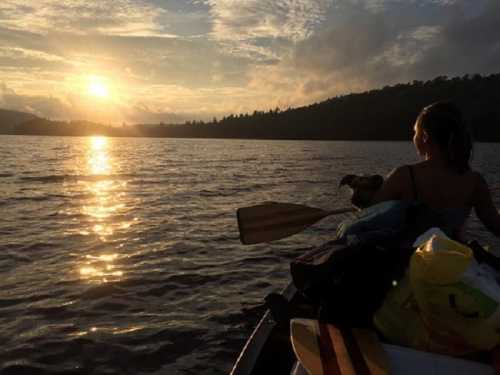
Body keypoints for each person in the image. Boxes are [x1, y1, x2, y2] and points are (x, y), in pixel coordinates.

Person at [371, 101, 500, 240]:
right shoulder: (475, 181)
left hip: (410, 259)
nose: (414, 137)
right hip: (453, 258)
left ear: (425, 137)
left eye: (415, 132)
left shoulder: (404, 176)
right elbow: (496, 226)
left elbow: (369, 218)